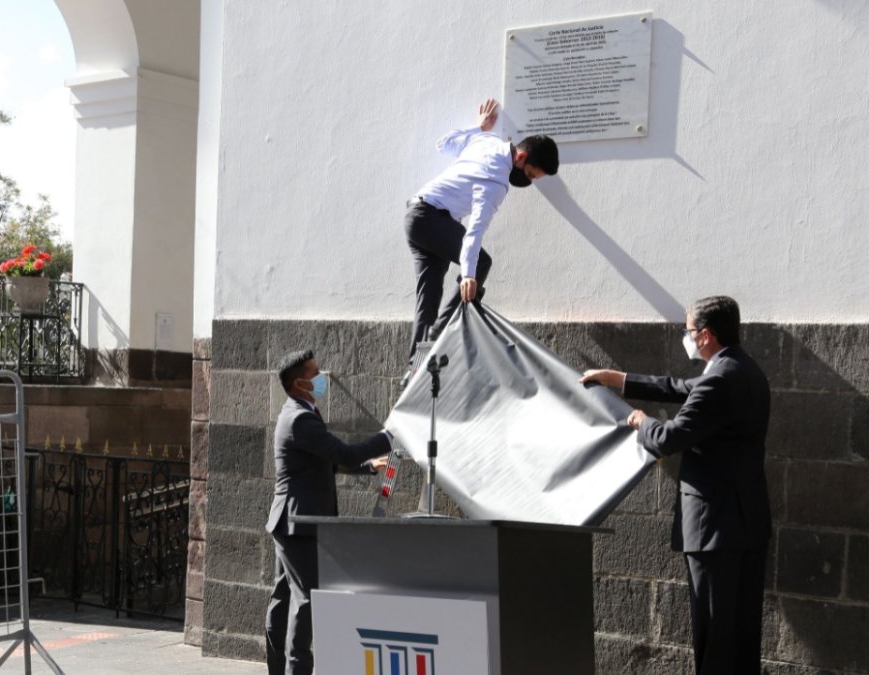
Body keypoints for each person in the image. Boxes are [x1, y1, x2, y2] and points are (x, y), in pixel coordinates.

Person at [579, 296, 771, 674]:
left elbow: (669, 438)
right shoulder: (745, 369)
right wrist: (620, 380)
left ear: (706, 335)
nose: (685, 336)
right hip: (747, 525)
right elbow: (680, 387)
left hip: (715, 529)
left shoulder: (719, 379)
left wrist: (640, 421)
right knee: (742, 635)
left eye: (688, 330)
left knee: (714, 637)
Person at [404, 97, 559, 367]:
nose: (529, 182)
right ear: (521, 157)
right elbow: (475, 229)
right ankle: (440, 335)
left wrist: (478, 129)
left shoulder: (487, 141)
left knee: (427, 301)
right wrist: (469, 275)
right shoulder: (496, 181)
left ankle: (416, 368)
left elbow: (445, 145)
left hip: (416, 217)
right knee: (481, 263)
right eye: (532, 175)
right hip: (431, 219)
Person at [264, 350, 391, 675]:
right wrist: (389, 437)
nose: (322, 378)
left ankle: (278, 668)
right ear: (298, 383)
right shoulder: (300, 419)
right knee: (306, 600)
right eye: (315, 374)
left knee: (283, 599)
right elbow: (343, 453)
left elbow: (326, 461)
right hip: (298, 524)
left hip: (292, 520)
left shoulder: (303, 413)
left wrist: (366, 468)